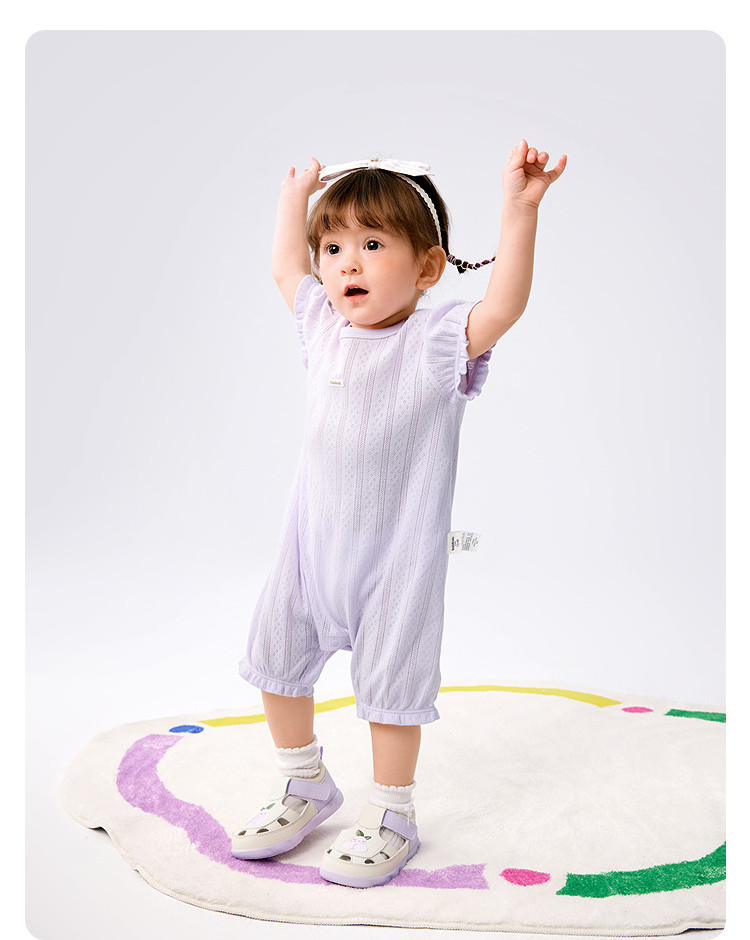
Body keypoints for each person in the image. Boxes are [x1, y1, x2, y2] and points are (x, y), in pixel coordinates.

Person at [232, 143, 567, 888]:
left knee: (391, 692)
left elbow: (504, 305)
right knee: (276, 661)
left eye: (373, 245)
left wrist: (520, 210)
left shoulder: (436, 342)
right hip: (309, 552)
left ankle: (392, 814)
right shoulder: (323, 326)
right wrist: (294, 200)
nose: (346, 263)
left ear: (428, 267)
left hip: (398, 563)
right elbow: (286, 269)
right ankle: (304, 782)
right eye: (333, 248)